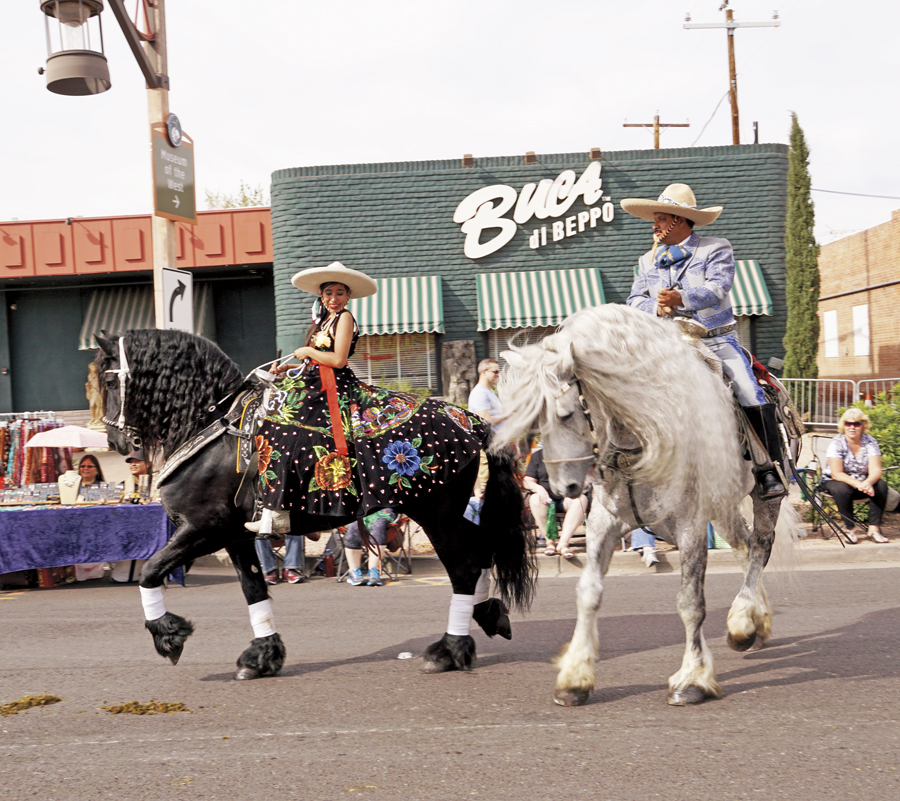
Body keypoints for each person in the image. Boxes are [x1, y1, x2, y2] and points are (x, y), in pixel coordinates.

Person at [245, 261, 487, 537]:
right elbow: (317, 361)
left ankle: (283, 513)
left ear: (348, 297)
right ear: (321, 297)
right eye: (328, 293)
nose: (333, 298)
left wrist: (308, 352)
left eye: (339, 293)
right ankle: (287, 507)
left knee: (287, 433)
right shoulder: (323, 321)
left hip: (336, 387)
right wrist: (291, 367)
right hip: (314, 384)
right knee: (278, 430)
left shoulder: (345, 318)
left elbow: (338, 359)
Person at [622, 182, 785, 499]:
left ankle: (768, 471)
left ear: (678, 220)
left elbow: (717, 289)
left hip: (716, 342)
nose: (653, 225)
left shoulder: (716, 248)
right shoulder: (646, 261)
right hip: (669, 346)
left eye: (659, 218)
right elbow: (633, 300)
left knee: (750, 393)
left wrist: (679, 297)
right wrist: (655, 305)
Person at [822, 408, 890, 543]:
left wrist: (868, 482)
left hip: (863, 484)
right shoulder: (837, 443)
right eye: (848, 423)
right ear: (843, 425)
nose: (852, 427)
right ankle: (850, 530)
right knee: (842, 489)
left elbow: (876, 470)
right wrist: (860, 484)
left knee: (881, 485)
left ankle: (874, 529)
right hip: (835, 481)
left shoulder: (870, 442)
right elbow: (837, 473)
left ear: (862, 425)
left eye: (856, 424)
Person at [523, 445, 588, 559]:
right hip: (545, 499)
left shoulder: (573, 455)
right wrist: (538, 488)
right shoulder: (538, 455)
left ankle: (563, 544)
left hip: (567, 498)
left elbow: (587, 479)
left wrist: (573, 491)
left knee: (581, 499)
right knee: (535, 499)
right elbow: (528, 480)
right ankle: (550, 542)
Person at [467, 358, 509, 494]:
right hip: (488, 447)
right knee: (489, 486)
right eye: (495, 371)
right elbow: (485, 421)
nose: (498, 374)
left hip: (497, 446)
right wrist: (507, 414)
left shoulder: (489, 392)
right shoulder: (479, 393)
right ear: (484, 372)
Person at [343, 507, 396, 586]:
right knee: (354, 524)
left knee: (378, 524)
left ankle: (373, 571)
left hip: (381, 509)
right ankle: (353, 571)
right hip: (355, 510)